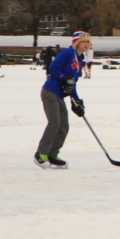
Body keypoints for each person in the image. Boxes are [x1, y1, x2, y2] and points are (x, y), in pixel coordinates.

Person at [34, 31, 90, 169]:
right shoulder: (67, 53)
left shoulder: (80, 59)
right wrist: (63, 78)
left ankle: (52, 154)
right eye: (83, 41)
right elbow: (53, 67)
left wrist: (77, 101)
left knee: (64, 126)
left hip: (59, 96)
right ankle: (40, 154)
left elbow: (72, 83)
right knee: (54, 123)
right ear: (76, 43)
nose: (86, 44)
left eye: (88, 42)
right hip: (50, 92)